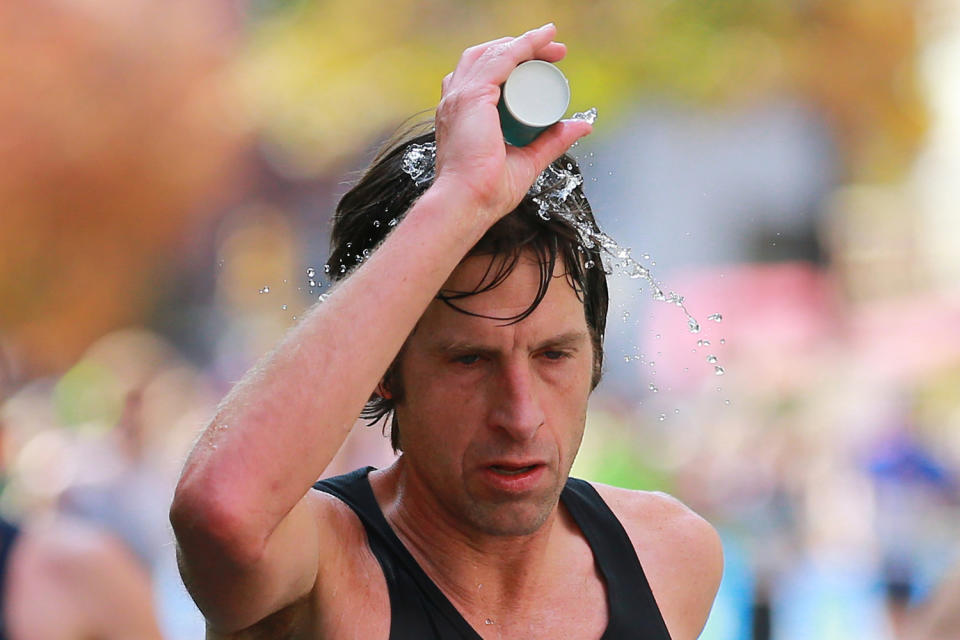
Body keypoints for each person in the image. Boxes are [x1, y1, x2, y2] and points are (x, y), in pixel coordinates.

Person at [171, 24, 723, 639]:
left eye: (552, 355)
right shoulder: (322, 572)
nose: (519, 415)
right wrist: (461, 197)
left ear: (594, 354)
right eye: (470, 361)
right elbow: (220, 515)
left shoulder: (670, 557)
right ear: (383, 371)